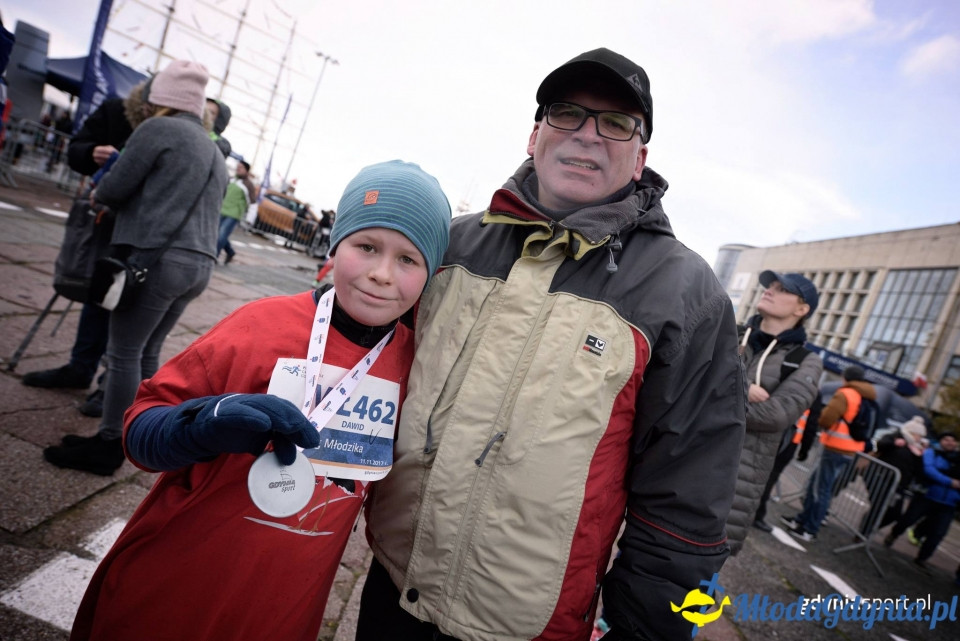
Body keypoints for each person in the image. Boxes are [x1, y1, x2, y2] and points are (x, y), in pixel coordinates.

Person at [356, 48, 746, 641]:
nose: (589, 135)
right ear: (534, 134)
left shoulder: (687, 295)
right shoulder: (449, 246)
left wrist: (645, 626)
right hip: (391, 585)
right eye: (568, 114)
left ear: (640, 158)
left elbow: (687, 491)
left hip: (527, 625)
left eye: (616, 123)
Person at [68, 160, 452, 641]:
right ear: (335, 247)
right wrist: (199, 425)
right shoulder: (258, 325)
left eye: (408, 260)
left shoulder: (412, 365)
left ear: (430, 275)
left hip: (284, 604)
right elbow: (139, 431)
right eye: (367, 246)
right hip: (178, 579)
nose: (380, 274)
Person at [42, 60, 228, 476]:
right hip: (198, 265)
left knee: (122, 352)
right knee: (147, 352)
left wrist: (104, 195)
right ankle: (146, 435)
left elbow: (112, 188)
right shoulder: (213, 149)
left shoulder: (157, 130)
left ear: (159, 99)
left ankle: (110, 444)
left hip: (156, 258)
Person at [20, 89, 137, 412]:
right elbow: (76, 149)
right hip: (106, 224)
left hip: (139, 232)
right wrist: (91, 152)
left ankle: (107, 386)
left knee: (126, 311)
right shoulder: (118, 111)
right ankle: (81, 367)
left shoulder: (170, 129)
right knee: (98, 294)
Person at [727, 271, 822, 549]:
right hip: (680, 461)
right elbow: (691, 380)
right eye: (770, 286)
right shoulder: (727, 333)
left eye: (782, 290)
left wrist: (713, 398)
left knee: (694, 579)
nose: (769, 290)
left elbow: (775, 415)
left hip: (735, 482)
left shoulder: (805, 361)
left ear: (801, 309)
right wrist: (744, 390)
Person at [782, 365, 877, 541]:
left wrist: (822, 419)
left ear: (845, 377)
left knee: (820, 489)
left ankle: (809, 528)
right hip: (851, 449)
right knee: (818, 486)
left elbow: (826, 418)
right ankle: (803, 520)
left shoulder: (846, 393)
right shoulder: (868, 396)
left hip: (835, 447)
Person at [883, 431, 960, 570]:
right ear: (940, 441)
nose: (950, 442)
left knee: (938, 532)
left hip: (949, 502)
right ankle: (894, 534)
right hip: (927, 496)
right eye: (946, 439)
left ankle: (922, 558)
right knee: (908, 519)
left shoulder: (957, 458)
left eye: (952, 440)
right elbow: (929, 470)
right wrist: (949, 482)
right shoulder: (932, 452)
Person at [216, 159, 253, 264]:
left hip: (233, 215)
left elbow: (253, 203)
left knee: (221, 235)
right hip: (222, 210)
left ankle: (214, 256)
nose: (238, 169)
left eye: (241, 167)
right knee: (218, 234)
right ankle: (230, 252)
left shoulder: (248, 185)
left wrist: (249, 219)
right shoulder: (231, 180)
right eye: (238, 167)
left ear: (246, 170)